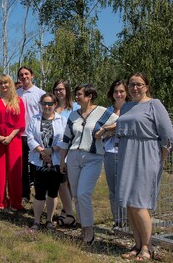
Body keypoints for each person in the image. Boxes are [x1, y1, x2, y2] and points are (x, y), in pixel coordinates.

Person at [116, 73, 173, 260]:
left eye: (139, 84)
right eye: (132, 84)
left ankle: (147, 247)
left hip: (147, 155)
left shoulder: (154, 105)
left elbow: (167, 135)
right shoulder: (126, 107)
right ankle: (137, 244)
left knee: (140, 203)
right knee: (130, 204)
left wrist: (160, 158)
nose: (135, 88)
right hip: (127, 154)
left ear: (146, 86)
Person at [59, 84, 118, 244]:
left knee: (84, 193)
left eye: (79, 94)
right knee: (77, 196)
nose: (76, 97)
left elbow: (120, 123)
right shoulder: (73, 115)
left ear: (89, 96)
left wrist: (105, 130)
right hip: (72, 157)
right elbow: (66, 139)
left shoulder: (102, 112)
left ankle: (90, 232)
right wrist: (62, 161)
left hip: (93, 157)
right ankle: (83, 228)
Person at [0, 74, 25, 210]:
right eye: (1, 83)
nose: (3, 86)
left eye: (6, 83)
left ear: (10, 84)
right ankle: (1, 201)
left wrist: (9, 137)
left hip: (14, 140)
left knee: (15, 172)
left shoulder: (18, 101)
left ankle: (16, 202)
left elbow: (20, 123)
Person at [27, 93, 66, 230]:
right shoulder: (34, 119)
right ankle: (36, 221)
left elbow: (65, 139)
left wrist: (52, 150)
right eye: (44, 103)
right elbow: (30, 137)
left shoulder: (62, 120)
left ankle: (49, 220)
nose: (47, 106)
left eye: (50, 103)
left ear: (55, 105)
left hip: (55, 161)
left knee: (53, 192)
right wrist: (42, 151)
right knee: (39, 192)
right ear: (41, 105)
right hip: (38, 161)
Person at [100, 79, 129, 231]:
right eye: (116, 91)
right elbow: (100, 133)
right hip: (110, 153)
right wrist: (109, 132)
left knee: (126, 188)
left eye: (122, 91)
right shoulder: (107, 111)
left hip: (128, 153)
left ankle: (129, 220)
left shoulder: (131, 109)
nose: (119, 94)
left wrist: (110, 129)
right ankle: (117, 221)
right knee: (113, 190)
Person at [52, 79, 79, 227]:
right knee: (61, 183)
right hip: (57, 151)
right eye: (56, 89)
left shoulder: (74, 108)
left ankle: (68, 213)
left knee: (69, 184)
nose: (58, 92)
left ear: (67, 90)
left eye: (61, 89)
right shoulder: (52, 108)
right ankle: (67, 212)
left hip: (72, 150)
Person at [17, 66, 45, 203]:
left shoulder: (40, 94)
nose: (24, 77)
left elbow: (46, 114)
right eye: (21, 75)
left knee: (36, 166)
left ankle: (40, 194)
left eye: (26, 74)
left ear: (32, 75)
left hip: (35, 136)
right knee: (22, 167)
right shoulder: (16, 94)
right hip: (19, 135)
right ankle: (25, 194)